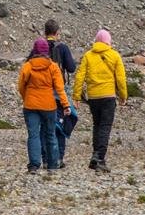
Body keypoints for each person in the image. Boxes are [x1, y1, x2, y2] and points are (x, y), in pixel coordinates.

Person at [72, 29, 127, 173]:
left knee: (97, 126)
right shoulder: (115, 55)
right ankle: (99, 158)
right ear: (109, 41)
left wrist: (76, 96)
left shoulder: (88, 56)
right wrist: (123, 95)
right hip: (108, 96)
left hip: (93, 97)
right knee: (105, 127)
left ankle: (95, 156)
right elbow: (120, 79)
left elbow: (80, 76)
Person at [18, 37, 71, 173]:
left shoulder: (27, 66)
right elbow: (60, 89)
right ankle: (52, 165)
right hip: (49, 105)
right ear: (47, 51)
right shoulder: (53, 66)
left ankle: (34, 165)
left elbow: (21, 86)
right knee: (51, 134)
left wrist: (27, 97)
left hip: (30, 105)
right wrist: (66, 105)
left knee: (33, 134)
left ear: (34, 50)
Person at [40, 19, 76, 167]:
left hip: (42, 92)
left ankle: (45, 158)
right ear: (57, 33)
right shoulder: (63, 47)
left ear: (45, 32)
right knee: (60, 125)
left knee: (44, 126)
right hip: (58, 93)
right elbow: (72, 68)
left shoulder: (39, 47)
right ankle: (59, 157)